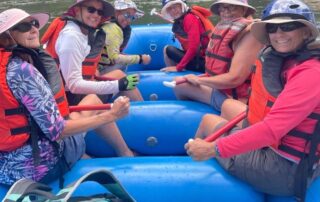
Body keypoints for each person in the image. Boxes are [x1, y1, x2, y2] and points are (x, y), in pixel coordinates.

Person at [185, 0, 320, 200]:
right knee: (230, 108)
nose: (279, 34)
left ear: (306, 32)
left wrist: (212, 149)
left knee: (208, 121)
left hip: (285, 169)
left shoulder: (311, 73)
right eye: (273, 28)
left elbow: (272, 130)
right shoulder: (290, 59)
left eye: (288, 26)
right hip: (278, 147)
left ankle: (189, 167)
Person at [0, 8, 130, 186]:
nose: (33, 29)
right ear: (7, 36)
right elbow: (57, 131)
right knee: (93, 102)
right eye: (23, 26)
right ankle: (125, 155)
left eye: (34, 24)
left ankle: (87, 158)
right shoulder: (21, 72)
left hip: (4, 166)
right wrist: (112, 115)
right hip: (34, 170)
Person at [41, 0, 144, 104]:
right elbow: (74, 85)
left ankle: (141, 108)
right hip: (70, 98)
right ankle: (144, 112)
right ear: (77, 10)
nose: (96, 15)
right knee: (124, 85)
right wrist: (118, 85)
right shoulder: (71, 37)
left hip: (75, 91)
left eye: (100, 12)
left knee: (119, 74)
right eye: (91, 10)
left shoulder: (81, 30)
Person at [173, 0, 263, 111]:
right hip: (222, 89)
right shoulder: (224, 27)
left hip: (236, 99)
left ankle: (195, 117)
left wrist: (199, 80)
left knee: (179, 86)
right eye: (222, 8)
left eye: (232, 7)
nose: (225, 12)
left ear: (244, 10)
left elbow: (235, 79)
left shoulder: (250, 34)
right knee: (180, 81)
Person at [98, 0, 151, 74]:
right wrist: (140, 58)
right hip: (99, 71)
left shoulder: (108, 25)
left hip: (99, 67)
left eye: (132, 17)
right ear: (116, 12)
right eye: (127, 15)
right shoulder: (113, 28)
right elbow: (114, 58)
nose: (129, 20)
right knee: (122, 64)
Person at [160, 0, 213, 73]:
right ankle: (172, 71)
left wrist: (179, 67)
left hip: (205, 64)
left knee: (168, 49)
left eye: (175, 7)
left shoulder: (189, 18)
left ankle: (171, 75)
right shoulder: (184, 18)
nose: (173, 11)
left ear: (182, 6)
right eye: (169, 9)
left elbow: (194, 47)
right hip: (203, 59)